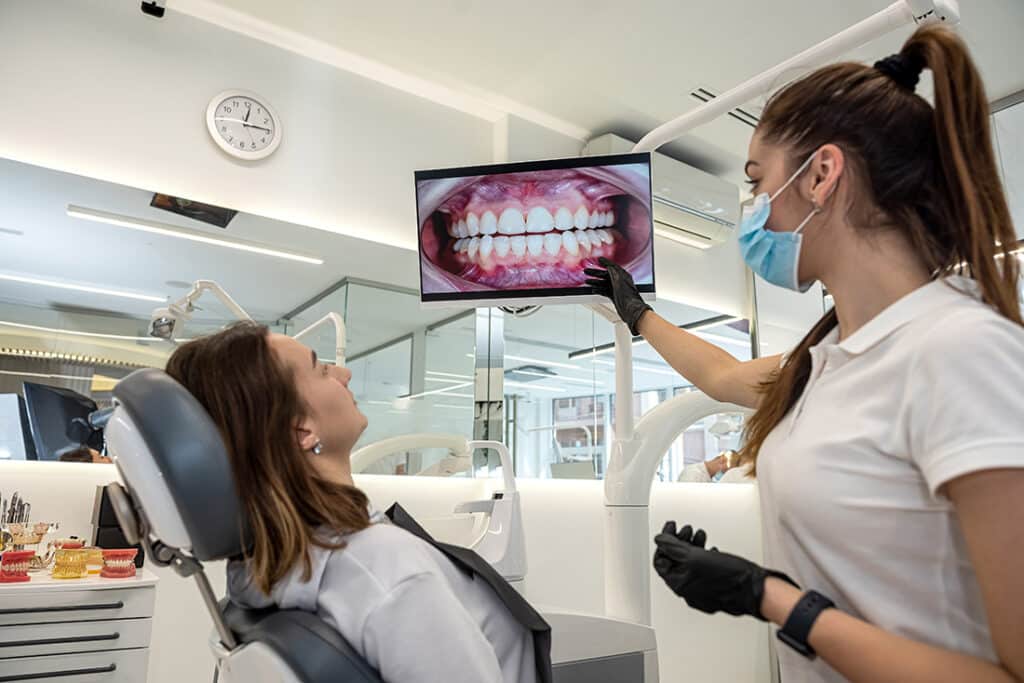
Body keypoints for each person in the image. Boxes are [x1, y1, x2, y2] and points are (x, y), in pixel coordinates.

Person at [587, 24, 1024, 683]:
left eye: (757, 183)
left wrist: (771, 597)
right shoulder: (832, 359)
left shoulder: (959, 351)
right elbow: (722, 374)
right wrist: (637, 314)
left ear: (821, 174)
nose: (753, 210)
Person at [164, 321, 545, 683]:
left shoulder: (265, 571)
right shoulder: (383, 567)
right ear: (301, 429)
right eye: (321, 370)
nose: (344, 375)